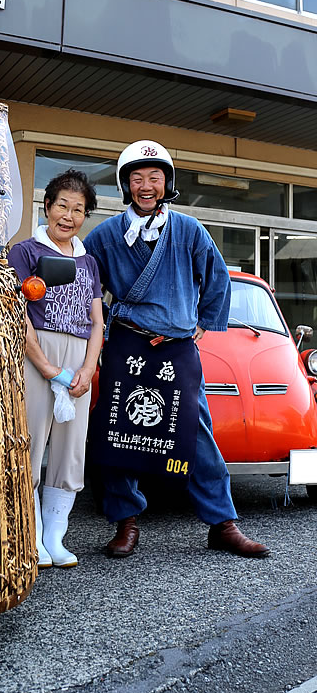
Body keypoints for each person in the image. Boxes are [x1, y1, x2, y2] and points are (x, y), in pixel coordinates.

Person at [83, 140, 269, 559]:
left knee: (196, 432)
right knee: (119, 431)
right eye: (136, 178)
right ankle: (125, 521)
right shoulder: (105, 236)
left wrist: (204, 323)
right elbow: (84, 285)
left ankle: (222, 523)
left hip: (177, 346)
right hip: (128, 340)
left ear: (167, 182)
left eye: (154, 177)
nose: (145, 186)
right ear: (125, 184)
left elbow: (217, 277)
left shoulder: (189, 230)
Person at [8, 169, 104, 568]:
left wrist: (87, 369)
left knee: (69, 450)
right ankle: (29, 535)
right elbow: (18, 314)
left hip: (80, 359)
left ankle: (54, 536)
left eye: (78, 209)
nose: (68, 215)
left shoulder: (90, 262)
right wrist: (49, 367)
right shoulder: (25, 252)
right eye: (62, 205)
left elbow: (97, 321)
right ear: (47, 207)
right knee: (30, 441)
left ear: (85, 217)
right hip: (38, 354)